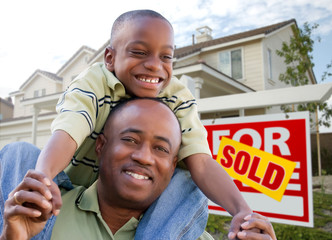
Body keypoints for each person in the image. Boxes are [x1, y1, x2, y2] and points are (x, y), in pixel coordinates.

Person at [2, 9, 251, 238]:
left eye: (166, 56)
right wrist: (43, 181)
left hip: (142, 197)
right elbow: (68, 132)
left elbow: (203, 163)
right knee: (18, 153)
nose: (154, 64)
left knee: (188, 183)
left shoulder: (178, 97)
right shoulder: (92, 82)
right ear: (110, 57)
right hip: (73, 188)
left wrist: (243, 212)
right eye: (139, 52)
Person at [0, 98, 277, 240]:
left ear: (173, 166)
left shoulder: (188, 234)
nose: (144, 157)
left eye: (161, 149)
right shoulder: (37, 216)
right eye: (130, 140)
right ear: (101, 146)